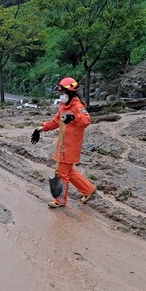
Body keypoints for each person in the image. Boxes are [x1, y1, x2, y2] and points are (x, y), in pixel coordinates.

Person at [32, 77, 97, 208]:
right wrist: (42, 128)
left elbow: (86, 120)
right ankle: (88, 189)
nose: (61, 96)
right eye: (60, 94)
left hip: (71, 145)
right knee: (67, 171)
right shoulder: (63, 106)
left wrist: (73, 117)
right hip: (63, 143)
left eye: (63, 94)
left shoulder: (78, 107)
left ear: (71, 92)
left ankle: (60, 200)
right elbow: (56, 121)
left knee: (62, 173)